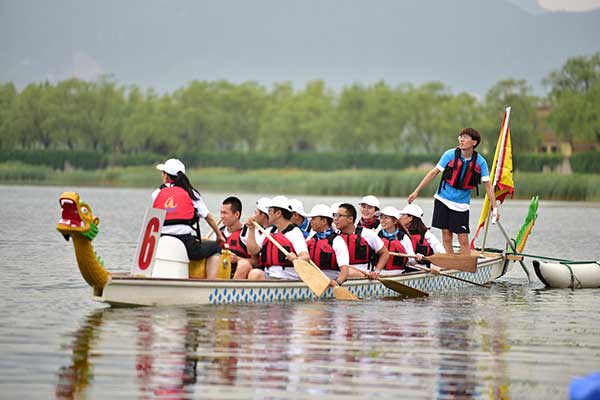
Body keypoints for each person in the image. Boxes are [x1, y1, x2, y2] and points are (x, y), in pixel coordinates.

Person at [407, 128, 500, 255]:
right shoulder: (449, 155)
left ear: (474, 142)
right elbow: (434, 172)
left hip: (461, 204)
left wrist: (494, 207)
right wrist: (417, 191)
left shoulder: (480, 162)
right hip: (443, 199)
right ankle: (450, 264)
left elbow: (488, 186)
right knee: (446, 235)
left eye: (465, 137)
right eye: (460, 137)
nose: (461, 139)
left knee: (463, 238)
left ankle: (466, 265)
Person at [151, 158, 224, 278]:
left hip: (160, 241)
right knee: (215, 247)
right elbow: (208, 217)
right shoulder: (192, 194)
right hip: (185, 243)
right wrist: (219, 235)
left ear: (166, 176)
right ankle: (210, 283)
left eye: (163, 173)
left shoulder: (156, 194)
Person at [245, 196, 310, 280]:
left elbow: (305, 256)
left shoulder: (295, 232)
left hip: (287, 278)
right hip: (270, 275)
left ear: (278, 213)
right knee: (255, 273)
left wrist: (296, 258)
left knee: (255, 274)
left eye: (270, 211)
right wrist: (251, 229)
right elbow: (252, 251)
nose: (268, 214)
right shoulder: (269, 231)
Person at [334, 203, 389, 279]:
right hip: (340, 271)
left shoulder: (367, 234)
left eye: (339, 216)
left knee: (347, 272)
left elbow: (385, 253)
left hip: (362, 273)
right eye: (335, 215)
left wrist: (377, 271)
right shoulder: (334, 236)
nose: (335, 219)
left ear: (350, 219)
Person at [305, 204, 350, 287]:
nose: (310, 221)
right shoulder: (311, 239)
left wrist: (338, 282)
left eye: (314, 219)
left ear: (324, 221)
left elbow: (344, 269)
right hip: (314, 278)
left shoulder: (337, 241)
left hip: (331, 279)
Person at [219, 196, 256, 279]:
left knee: (244, 264)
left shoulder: (247, 233)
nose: (222, 216)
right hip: (221, 273)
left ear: (237, 214)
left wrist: (237, 259)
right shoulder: (218, 233)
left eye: (225, 213)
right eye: (221, 213)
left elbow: (256, 262)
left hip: (240, 273)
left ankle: (231, 289)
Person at [375, 206, 419, 274]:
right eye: (381, 218)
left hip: (398, 272)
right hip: (378, 272)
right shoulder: (376, 236)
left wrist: (416, 258)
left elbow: (411, 261)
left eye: (386, 218)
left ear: (395, 221)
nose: (382, 221)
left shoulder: (403, 238)